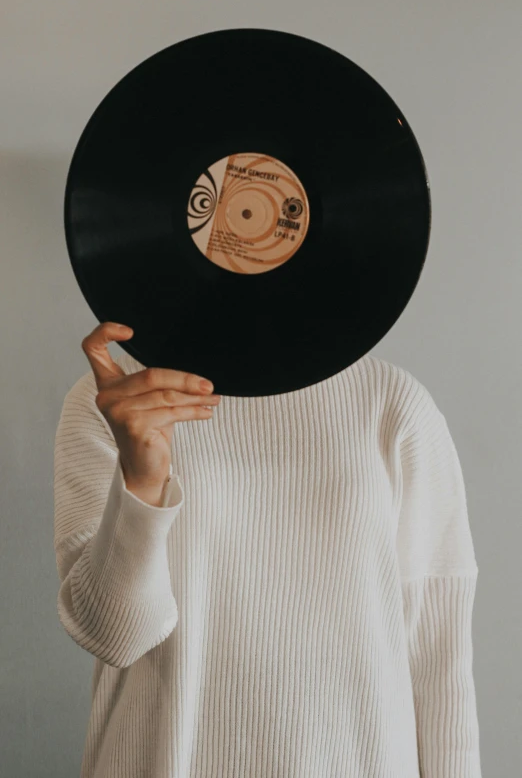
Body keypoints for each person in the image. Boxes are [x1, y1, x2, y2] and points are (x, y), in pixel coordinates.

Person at [53, 320, 482, 778]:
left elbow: (440, 660)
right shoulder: (118, 400)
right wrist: (141, 480)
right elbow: (115, 639)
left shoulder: (391, 402)